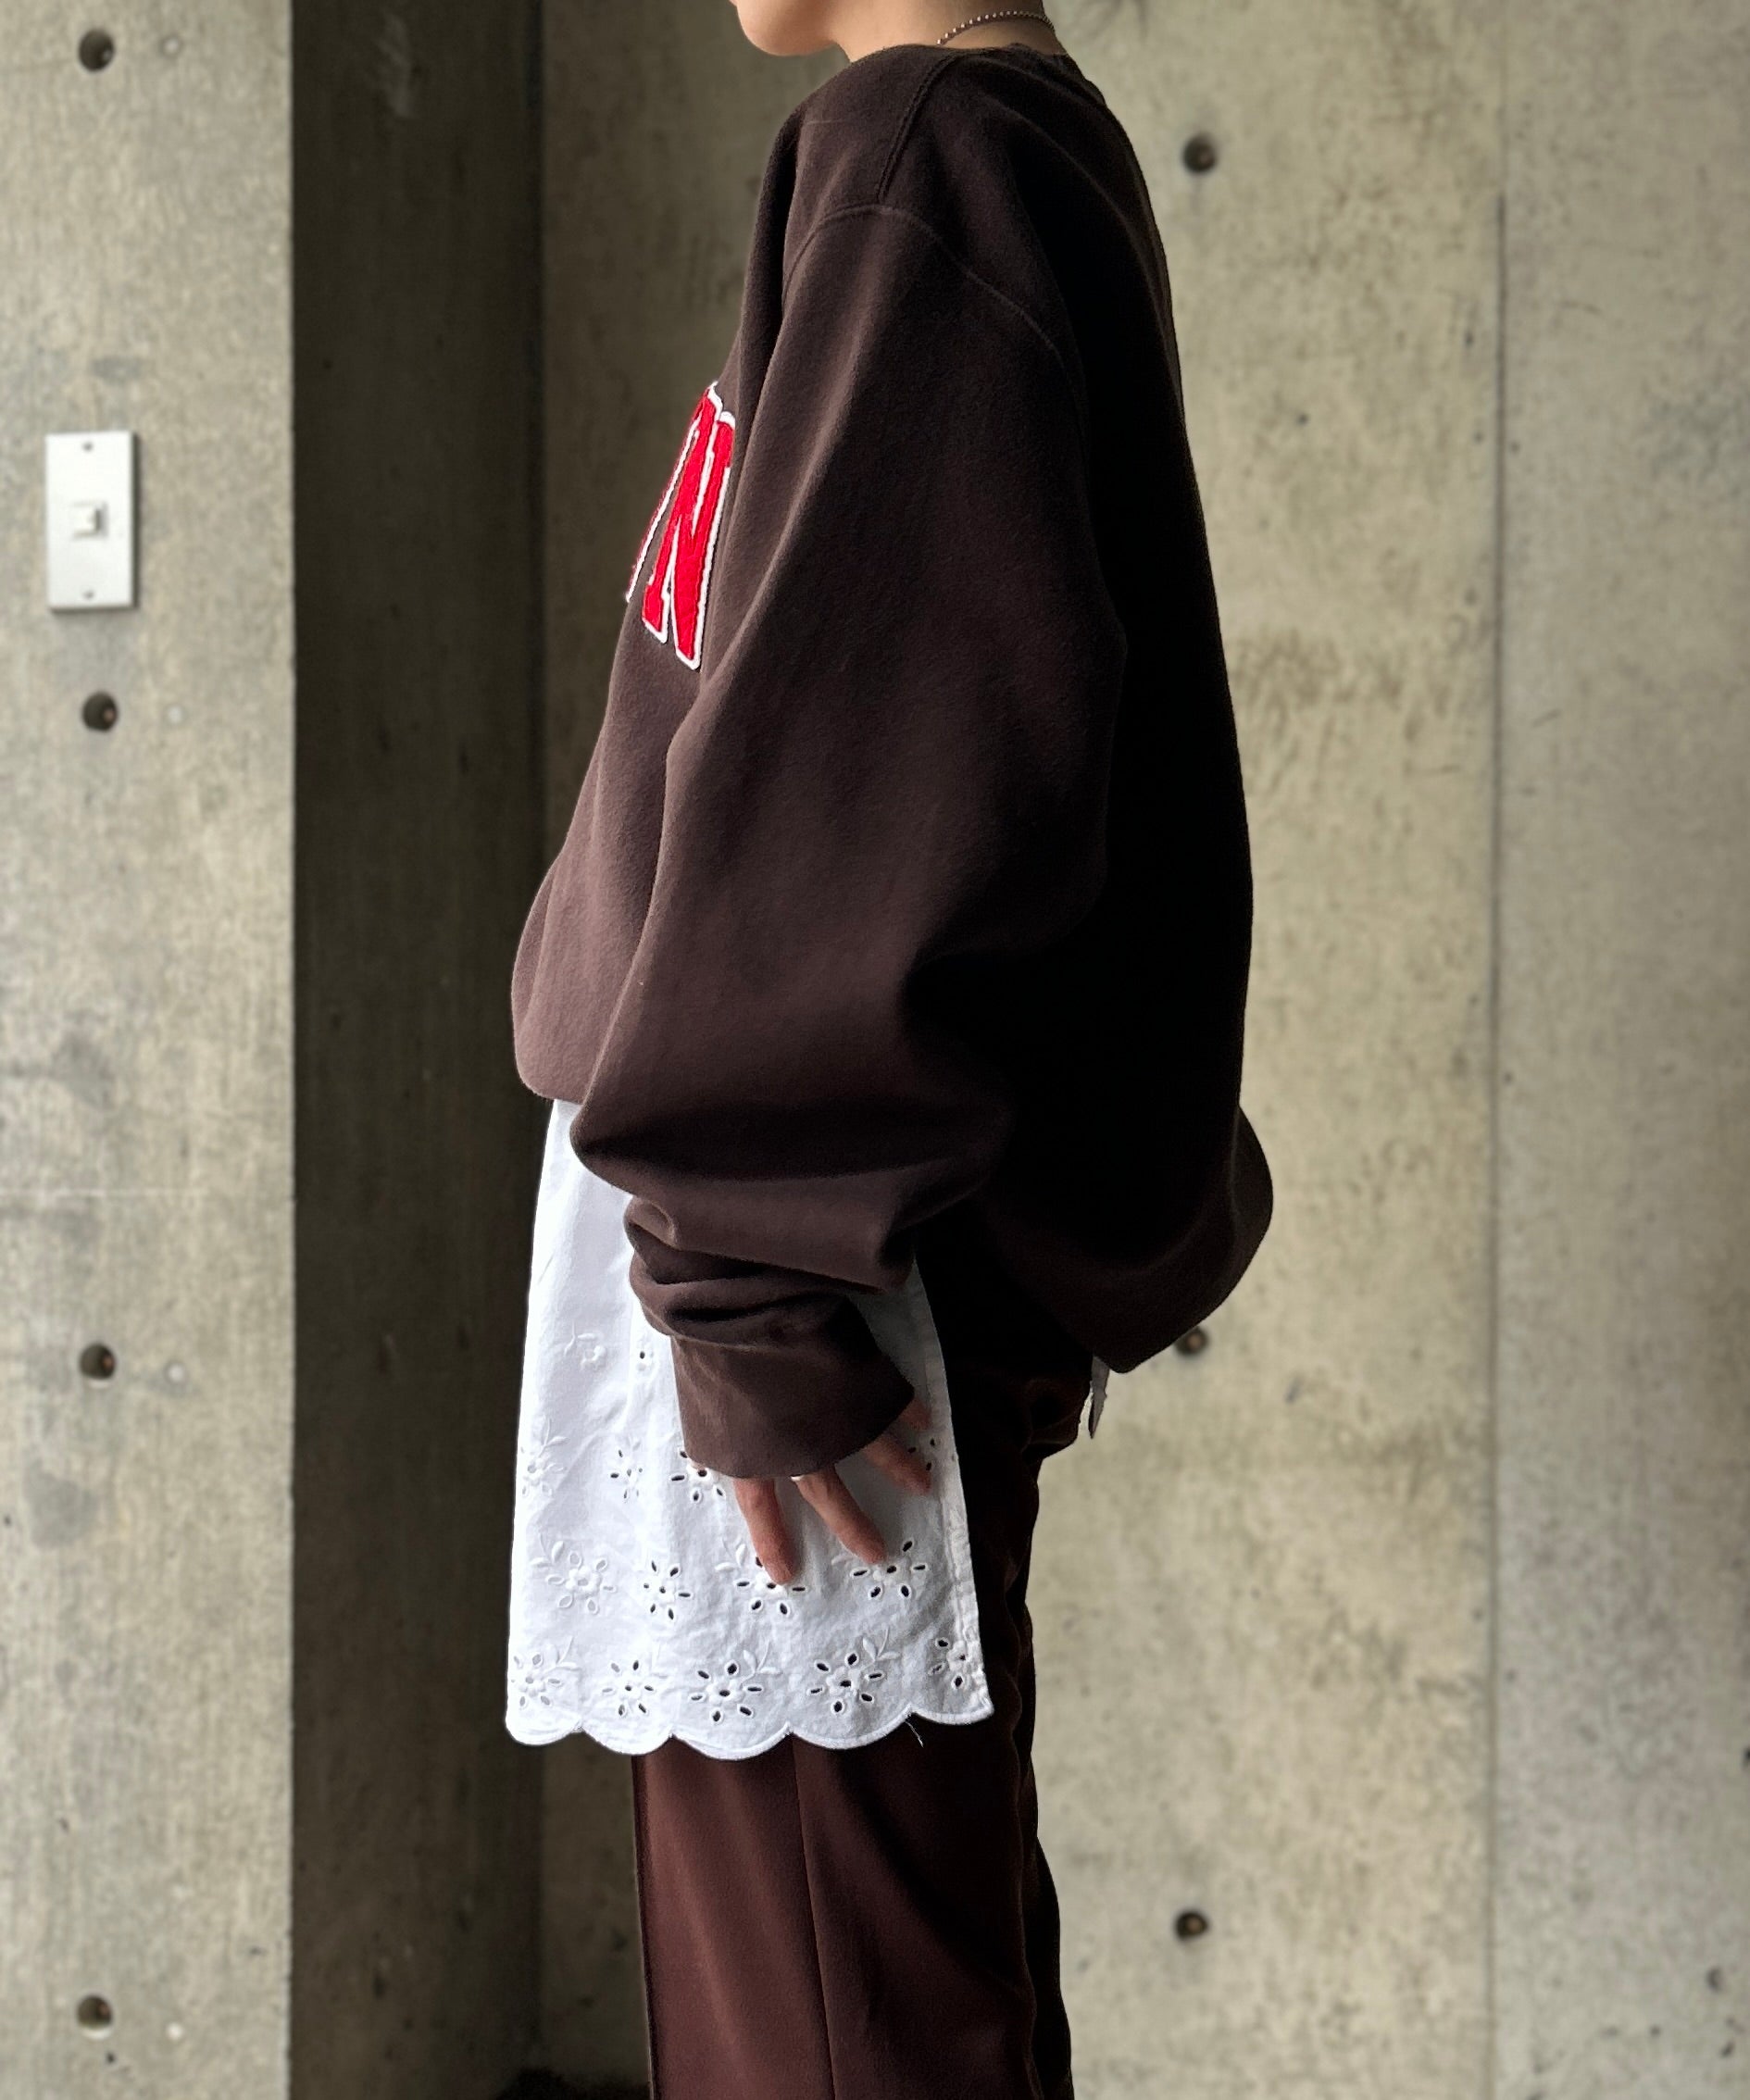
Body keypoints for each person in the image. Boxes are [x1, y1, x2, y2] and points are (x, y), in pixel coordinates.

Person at [505, 4, 1273, 2094]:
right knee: (880, 2001)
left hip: (819, 1259)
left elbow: (868, 755)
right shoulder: (970, 157)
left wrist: (752, 1286)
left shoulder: (927, 152)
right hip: (801, 1229)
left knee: (833, 2035)